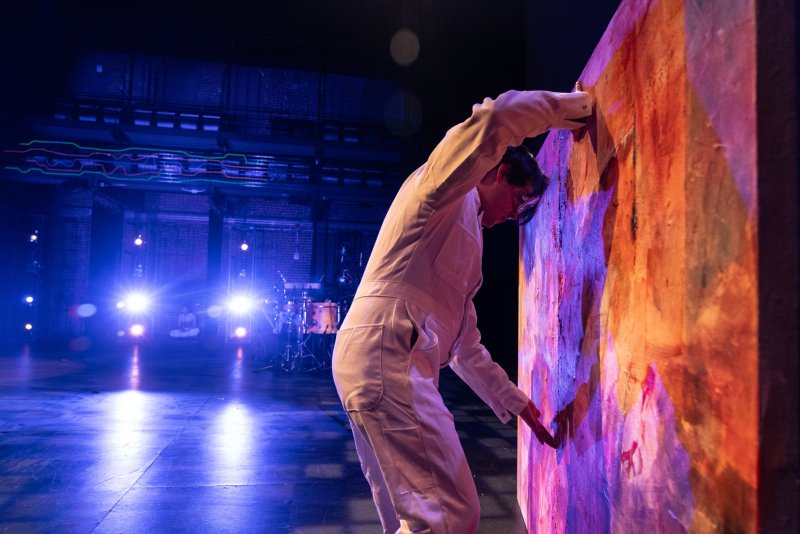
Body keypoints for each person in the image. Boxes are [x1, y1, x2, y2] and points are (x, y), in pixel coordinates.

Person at [331, 88, 593, 533]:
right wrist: (574, 108)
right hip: (386, 353)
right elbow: (495, 120)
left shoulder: (467, 234)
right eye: (520, 201)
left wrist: (517, 402)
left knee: (411, 515)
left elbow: (464, 346)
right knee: (449, 515)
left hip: (376, 355)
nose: (515, 215)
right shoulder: (441, 189)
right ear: (500, 173)